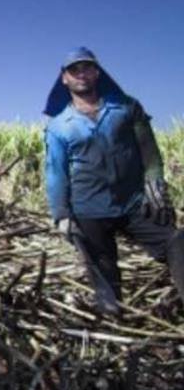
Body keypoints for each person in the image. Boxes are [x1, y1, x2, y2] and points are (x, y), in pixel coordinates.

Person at [44, 47, 183, 316]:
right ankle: (114, 328)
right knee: (108, 292)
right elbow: (55, 172)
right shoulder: (59, 125)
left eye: (87, 68)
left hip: (135, 204)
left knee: (177, 241)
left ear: (97, 72)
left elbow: (150, 151)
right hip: (89, 210)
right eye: (74, 70)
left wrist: (155, 182)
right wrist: (61, 214)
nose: (81, 74)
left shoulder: (126, 108)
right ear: (64, 79)